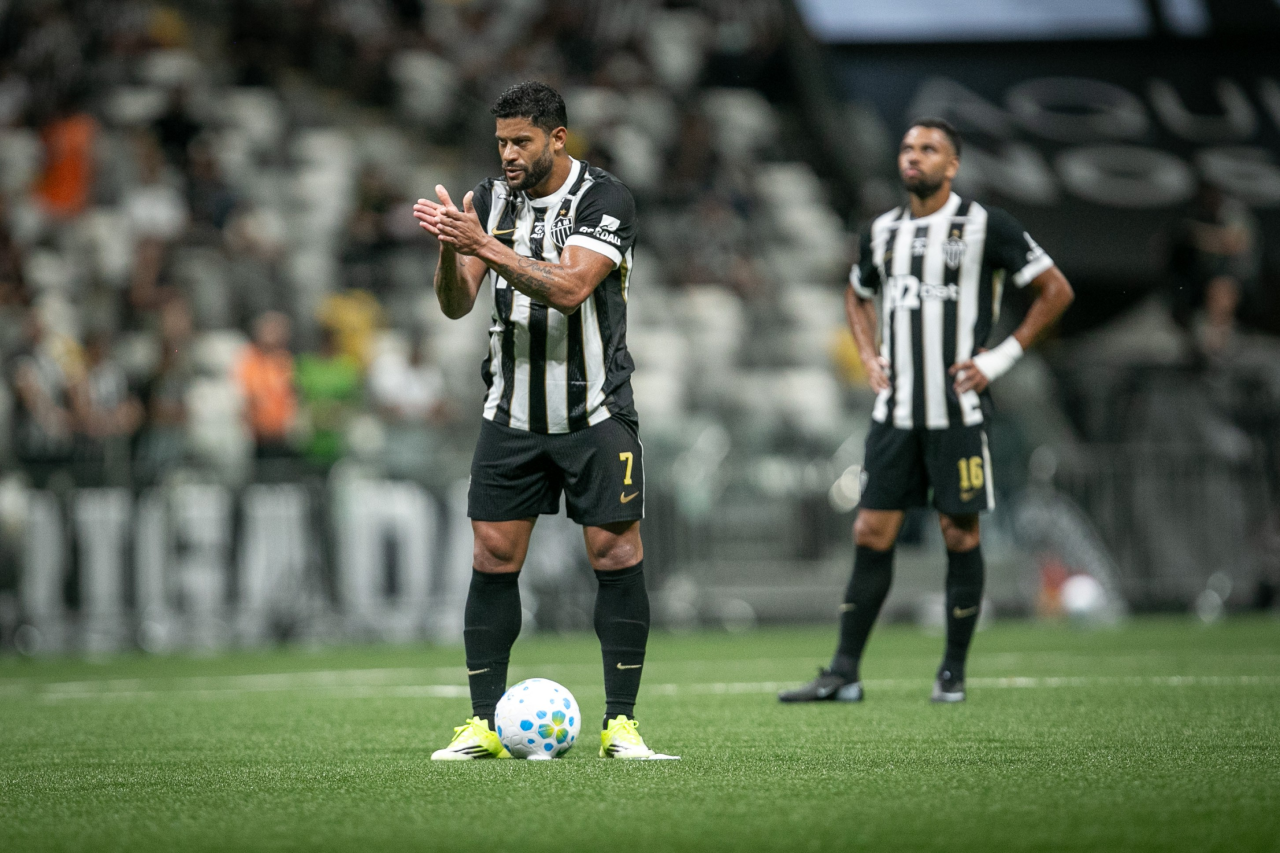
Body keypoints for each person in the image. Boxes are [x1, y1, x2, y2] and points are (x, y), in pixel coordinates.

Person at [413, 81, 674, 761]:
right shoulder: (488, 200)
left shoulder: (604, 199)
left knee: (615, 554)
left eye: (521, 141)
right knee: (492, 556)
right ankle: (481, 724)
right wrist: (451, 248)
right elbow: (455, 304)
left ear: (557, 138)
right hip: (511, 412)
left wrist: (483, 245)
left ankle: (622, 724)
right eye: (501, 141)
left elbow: (571, 288)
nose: (507, 154)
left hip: (596, 410)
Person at [779, 118, 1074, 705]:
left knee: (959, 533)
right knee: (870, 529)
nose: (914, 156)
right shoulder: (882, 230)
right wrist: (868, 355)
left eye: (929, 149)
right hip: (895, 414)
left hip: (958, 411)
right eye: (908, 148)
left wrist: (999, 358)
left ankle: (952, 672)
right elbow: (857, 291)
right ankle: (843, 672)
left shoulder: (986, 225)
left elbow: (1056, 290)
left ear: (952, 165)